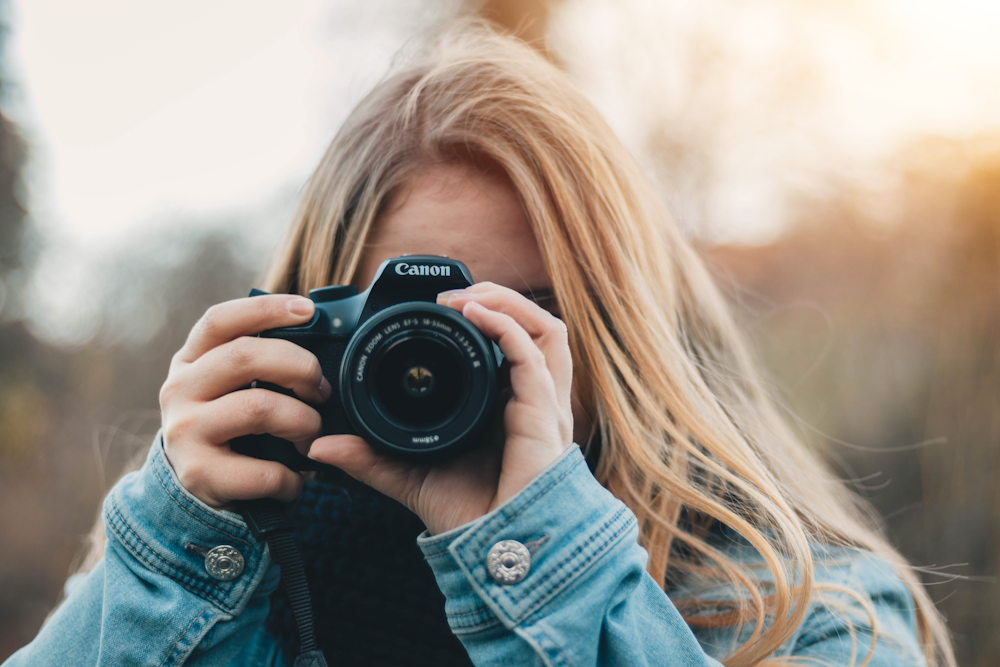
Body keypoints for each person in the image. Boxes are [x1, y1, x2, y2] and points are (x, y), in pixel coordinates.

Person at [5, 22, 955, 667]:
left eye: (520, 319)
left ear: (623, 333)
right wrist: (171, 554)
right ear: (312, 324)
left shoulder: (806, 610)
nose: (447, 363)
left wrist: (545, 560)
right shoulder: (224, 563)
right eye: (405, 325)